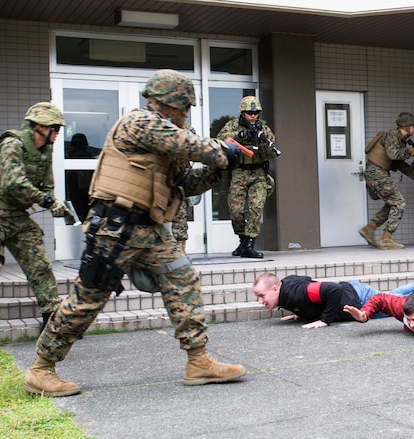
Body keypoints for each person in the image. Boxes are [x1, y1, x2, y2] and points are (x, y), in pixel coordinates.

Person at [23, 69, 247, 397]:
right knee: (88, 299)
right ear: (171, 103)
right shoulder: (140, 123)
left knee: (184, 280)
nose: (186, 114)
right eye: (184, 107)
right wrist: (222, 150)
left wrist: (218, 170)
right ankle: (41, 369)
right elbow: (186, 143)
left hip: (150, 230)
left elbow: (183, 186)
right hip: (115, 228)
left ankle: (198, 361)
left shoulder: (166, 137)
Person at [0, 102, 71, 350]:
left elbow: (47, 183)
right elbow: (13, 182)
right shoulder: (12, 144)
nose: (58, 133)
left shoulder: (44, 150)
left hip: (18, 217)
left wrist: (54, 201)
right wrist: (47, 201)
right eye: (55, 128)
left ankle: (51, 322)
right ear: (40, 127)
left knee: (40, 265)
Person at [252, 272, 414, 329]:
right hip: (354, 292)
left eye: (262, 295)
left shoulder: (296, 293)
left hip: (356, 297)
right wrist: (303, 313)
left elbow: (331, 289)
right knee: (395, 296)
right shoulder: (286, 292)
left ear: (274, 288)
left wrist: (324, 320)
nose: (261, 301)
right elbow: (309, 289)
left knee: (402, 303)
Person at [217, 96, 277, 259]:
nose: (253, 115)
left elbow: (272, 151)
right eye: (250, 112)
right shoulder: (232, 125)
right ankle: (243, 240)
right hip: (239, 172)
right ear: (242, 113)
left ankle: (250, 243)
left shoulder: (263, 128)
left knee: (256, 208)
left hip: (258, 173)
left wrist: (262, 140)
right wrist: (240, 135)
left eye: (256, 112)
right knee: (235, 211)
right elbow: (219, 141)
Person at [359, 112, 414, 250]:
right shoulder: (392, 136)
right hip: (376, 173)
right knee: (399, 202)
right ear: (408, 127)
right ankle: (386, 239)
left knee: (392, 203)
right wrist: (410, 152)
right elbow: (393, 154)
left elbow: (397, 164)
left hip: (377, 173)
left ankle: (369, 228)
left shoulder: (398, 139)